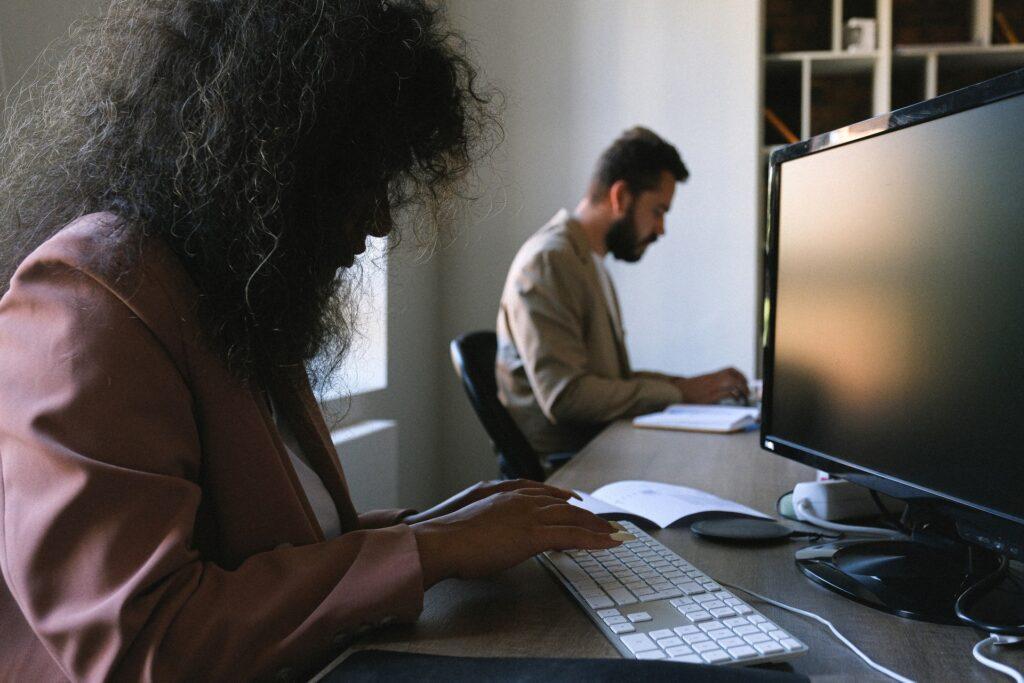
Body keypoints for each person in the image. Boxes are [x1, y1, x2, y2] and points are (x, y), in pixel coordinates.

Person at [0, 1, 627, 680]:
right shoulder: (89, 294)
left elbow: (289, 551)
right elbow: (144, 643)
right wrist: (429, 549)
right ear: (275, 155)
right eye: (365, 180)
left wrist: (446, 525)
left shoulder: (235, 295)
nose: (382, 220)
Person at [496, 127, 750, 460]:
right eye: (658, 211)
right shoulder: (550, 260)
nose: (661, 229)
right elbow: (566, 397)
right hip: (565, 474)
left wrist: (693, 386)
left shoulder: (589, 261)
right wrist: (680, 392)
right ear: (620, 197)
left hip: (600, 450)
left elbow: (609, 380)